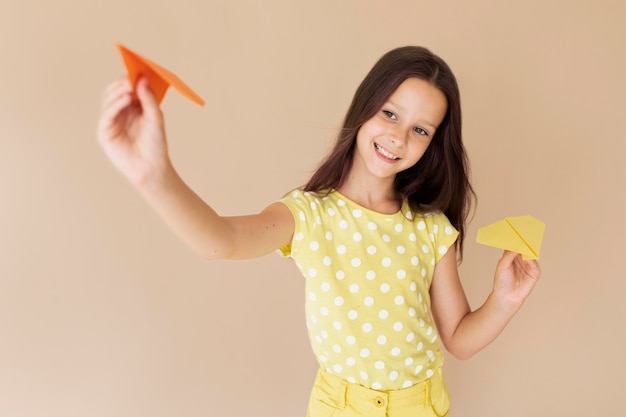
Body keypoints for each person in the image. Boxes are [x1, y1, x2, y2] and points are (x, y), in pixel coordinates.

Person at [98, 46, 541, 417]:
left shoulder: (429, 228)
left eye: (419, 129)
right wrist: (155, 177)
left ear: (431, 144)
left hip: (422, 406)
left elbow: (459, 340)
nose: (398, 137)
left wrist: (504, 300)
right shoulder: (308, 215)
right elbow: (221, 241)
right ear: (364, 109)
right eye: (389, 113)